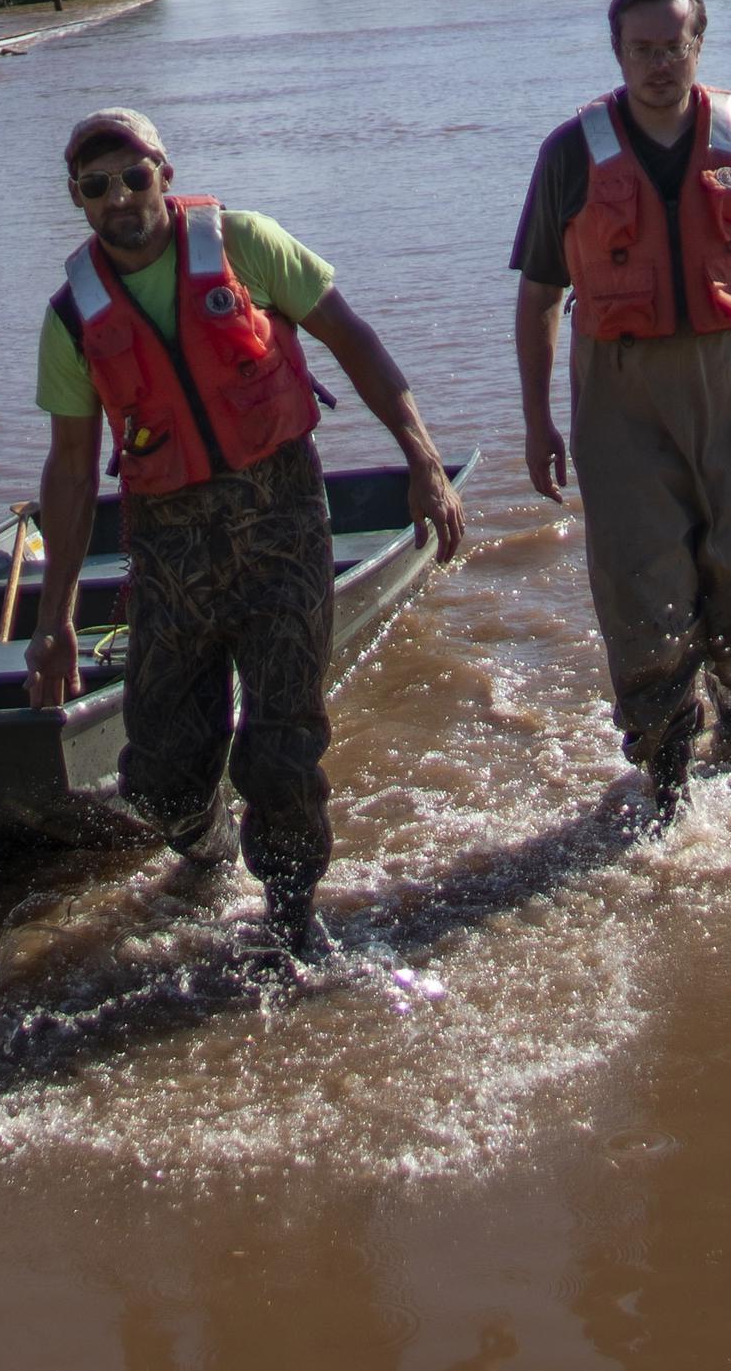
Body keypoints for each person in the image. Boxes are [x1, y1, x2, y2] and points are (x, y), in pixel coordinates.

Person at [26, 108, 464, 952]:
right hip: (173, 557)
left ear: (164, 169)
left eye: (135, 176)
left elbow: (350, 335)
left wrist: (423, 458)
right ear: (78, 201)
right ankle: (209, 846)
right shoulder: (72, 318)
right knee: (156, 777)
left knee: (281, 755)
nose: (120, 198)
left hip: (283, 533)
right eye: (97, 185)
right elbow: (73, 474)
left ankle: (293, 924)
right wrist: (53, 626)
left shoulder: (246, 243)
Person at [511, 0, 731, 823]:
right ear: (618, 52)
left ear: (699, 45)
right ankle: (666, 773)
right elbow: (541, 295)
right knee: (641, 593)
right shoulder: (570, 153)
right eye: (642, 49)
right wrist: (538, 418)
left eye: (675, 46)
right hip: (620, 399)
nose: (660, 64)